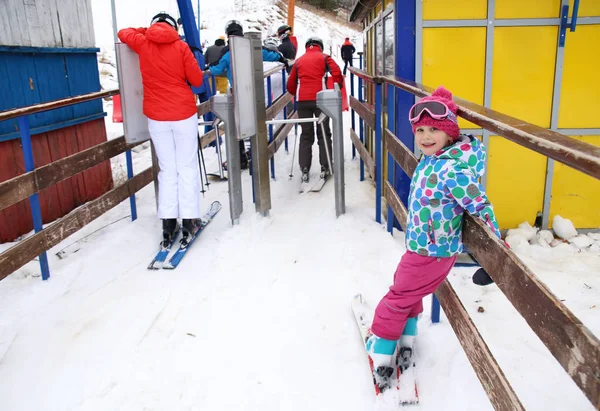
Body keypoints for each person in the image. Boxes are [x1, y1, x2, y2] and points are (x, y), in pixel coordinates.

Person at [365, 86, 501, 392]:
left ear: (450, 134)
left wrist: (495, 250)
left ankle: (382, 355)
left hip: (430, 252)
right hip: (424, 247)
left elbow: (480, 206)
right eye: (421, 130)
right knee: (409, 296)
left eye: (434, 130)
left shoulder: (451, 169)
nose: (425, 137)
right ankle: (407, 341)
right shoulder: (434, 159)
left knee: (396, 299)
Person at [118, 12, 205, 245]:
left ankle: (168, 224)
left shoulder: (143, 43)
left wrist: (147, 33)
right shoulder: (181, 47)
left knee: (167, 169)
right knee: (186, 166)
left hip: (156, 117)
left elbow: (123, 33)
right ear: (174, 27)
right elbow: (197, 81)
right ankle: (189, 221)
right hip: (183, 114)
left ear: (153, 26)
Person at [209, 20, 290, 170]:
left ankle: (240, 158)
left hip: (238, 94)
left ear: (228, 34)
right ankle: (256, 153)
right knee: (256, 122)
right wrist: (282, 59)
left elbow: (217, 69)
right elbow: (270, 54)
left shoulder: (228, 51)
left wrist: (210, 66)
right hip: (254, 91)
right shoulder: (251, 46)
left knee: (237, 125)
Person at [286, 37, 343, 183]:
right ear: (320, 46)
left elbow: (291, 84)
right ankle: (325, 166)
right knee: (324, 133)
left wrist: (295, 93)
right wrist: (336, 87)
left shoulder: (299, 60)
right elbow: (337, 73)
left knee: (306, 134)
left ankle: (304, 168)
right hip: (321, 99)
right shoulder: (324, 57)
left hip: (302, 100)